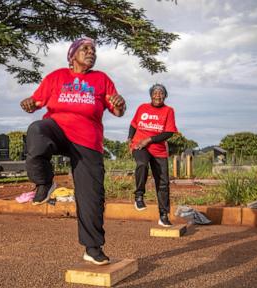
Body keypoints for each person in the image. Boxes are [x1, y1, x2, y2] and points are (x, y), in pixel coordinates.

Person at [20, 37, 126, 265]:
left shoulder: (101, 79)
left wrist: (120, 102)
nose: (91, 52)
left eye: (93, 50)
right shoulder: (56, 77)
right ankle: (44, 183)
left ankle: (93, 247)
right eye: (85, 49)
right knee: (37, 130)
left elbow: (118, 110)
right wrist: (29, 102)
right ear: (72, 54)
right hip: (58, 130)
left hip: (87, 140)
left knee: (91, 197)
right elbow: (35, 102)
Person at [127, 84, 177, 227]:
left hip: (159, 150)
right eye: (155, 93)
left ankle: (163, 215)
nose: (158, 95)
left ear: (165, 96)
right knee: (142, 164)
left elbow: (169, 132)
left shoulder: (169, 111)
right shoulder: (142, 107)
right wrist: (130, 138)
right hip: (139, 146)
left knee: (163, 183)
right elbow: (134, 124)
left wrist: (149, 139)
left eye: (161, 93)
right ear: (151, 95)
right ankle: (139, 196)